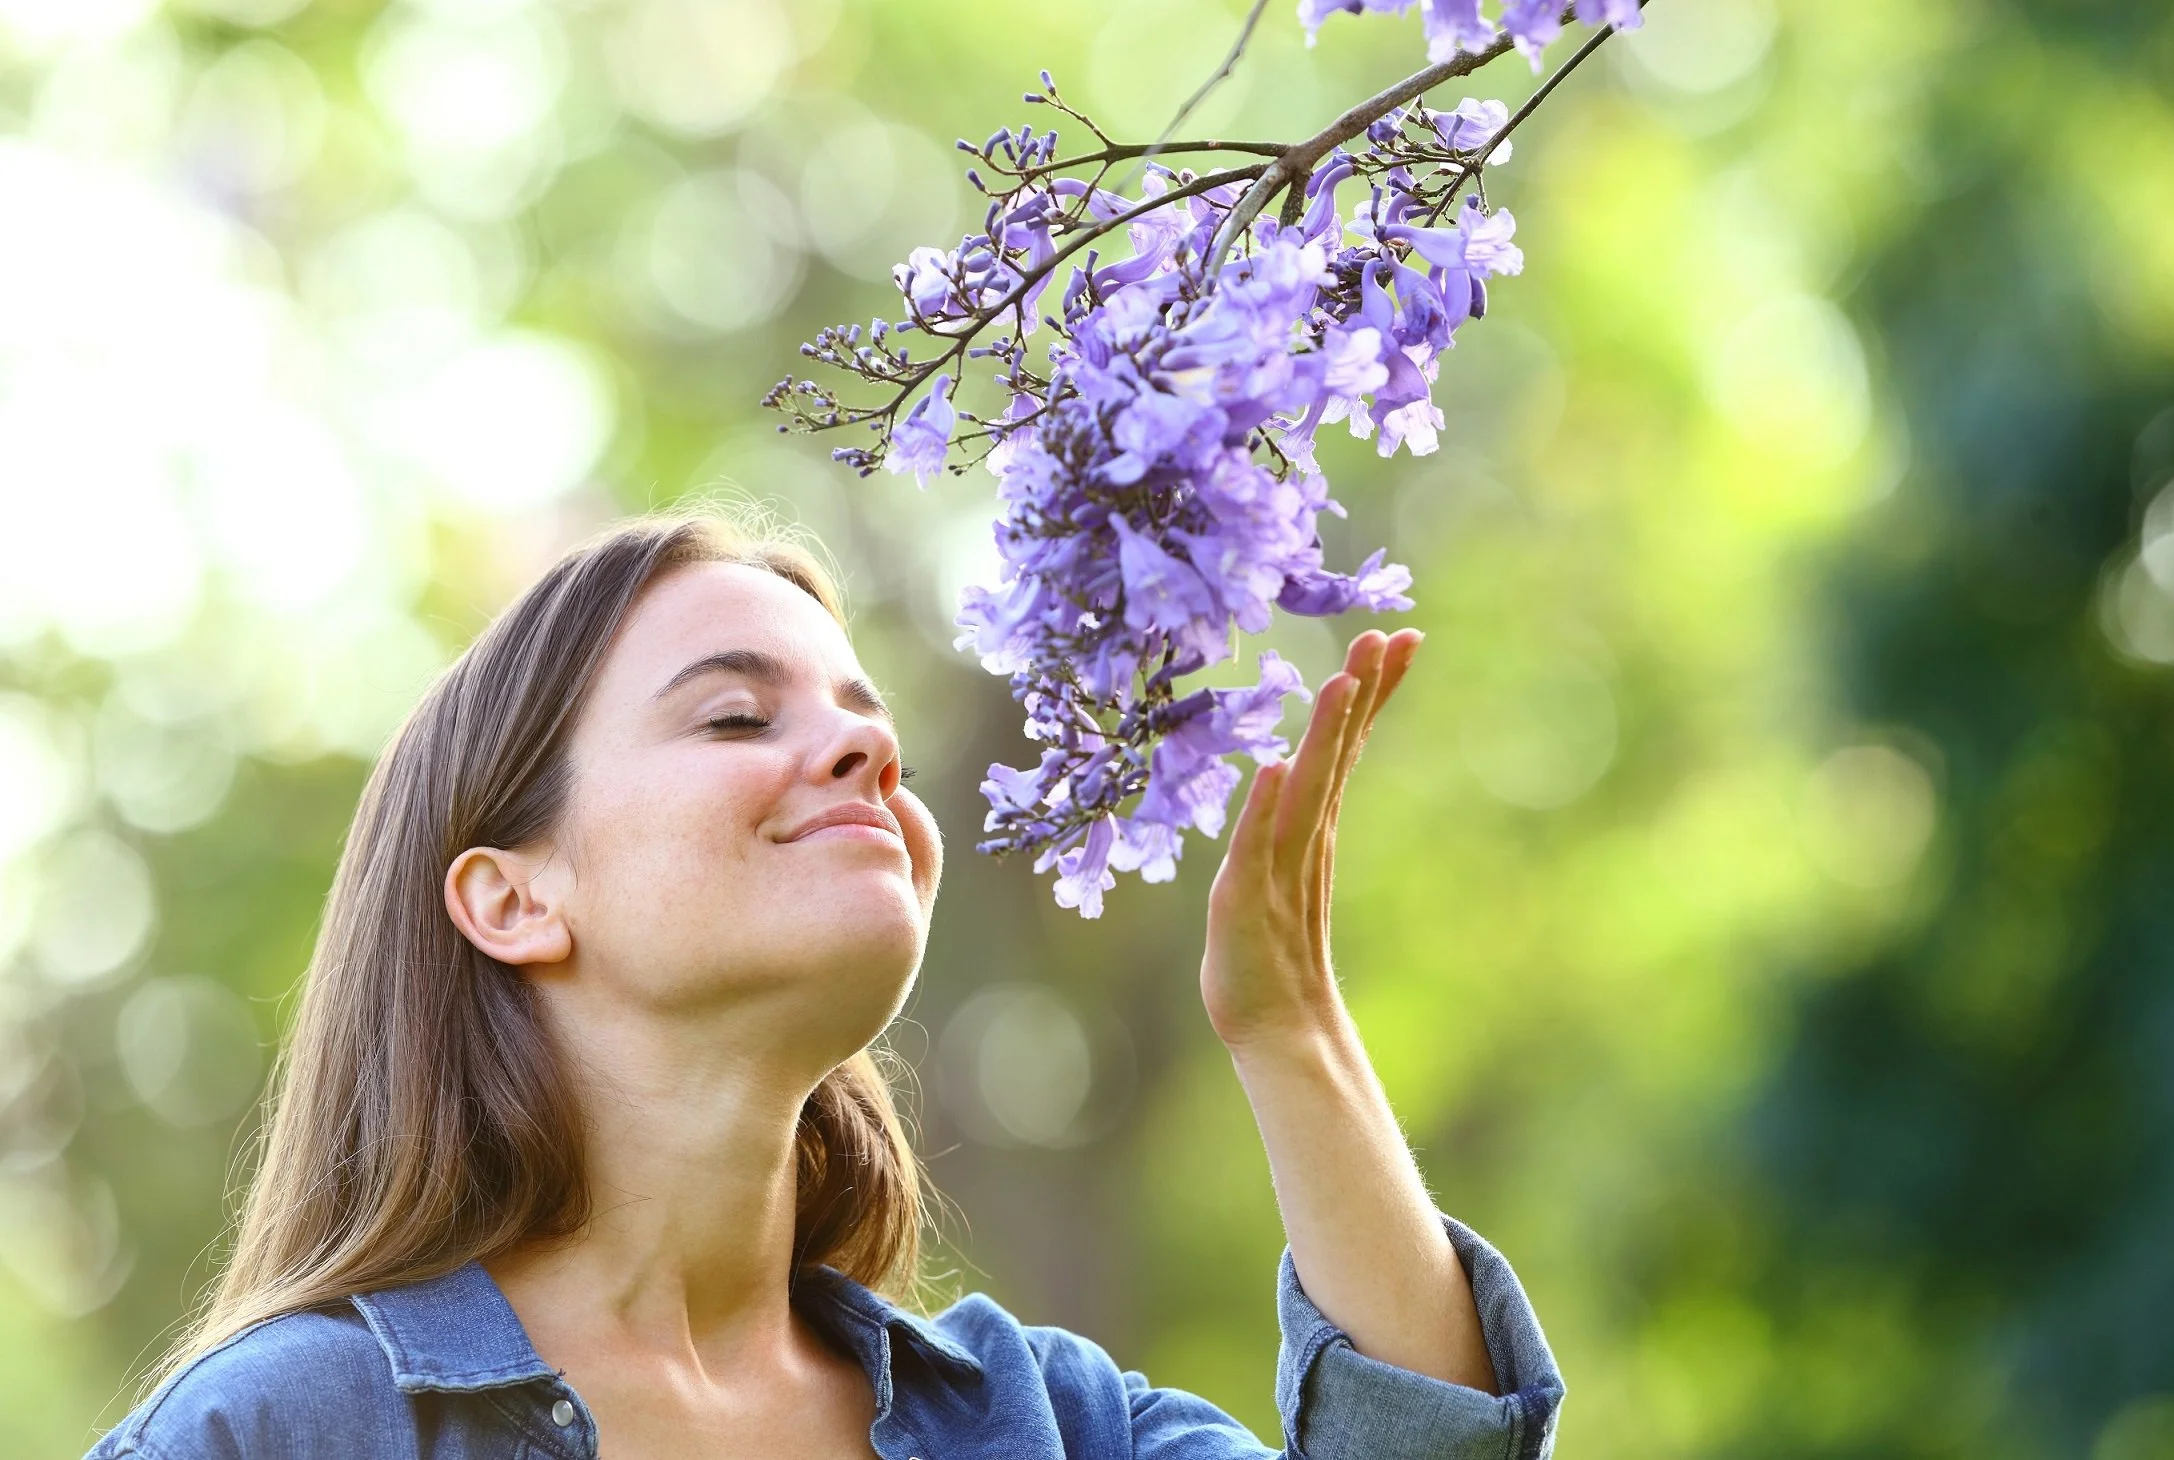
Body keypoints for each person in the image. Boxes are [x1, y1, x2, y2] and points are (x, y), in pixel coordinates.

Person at [86, 513, 1562, 1460]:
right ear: (516, 898)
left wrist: (1292, 1029)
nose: (868, 754)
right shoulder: (287, 1427)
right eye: (737, 716)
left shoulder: (1043, 1423)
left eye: (870, 724)